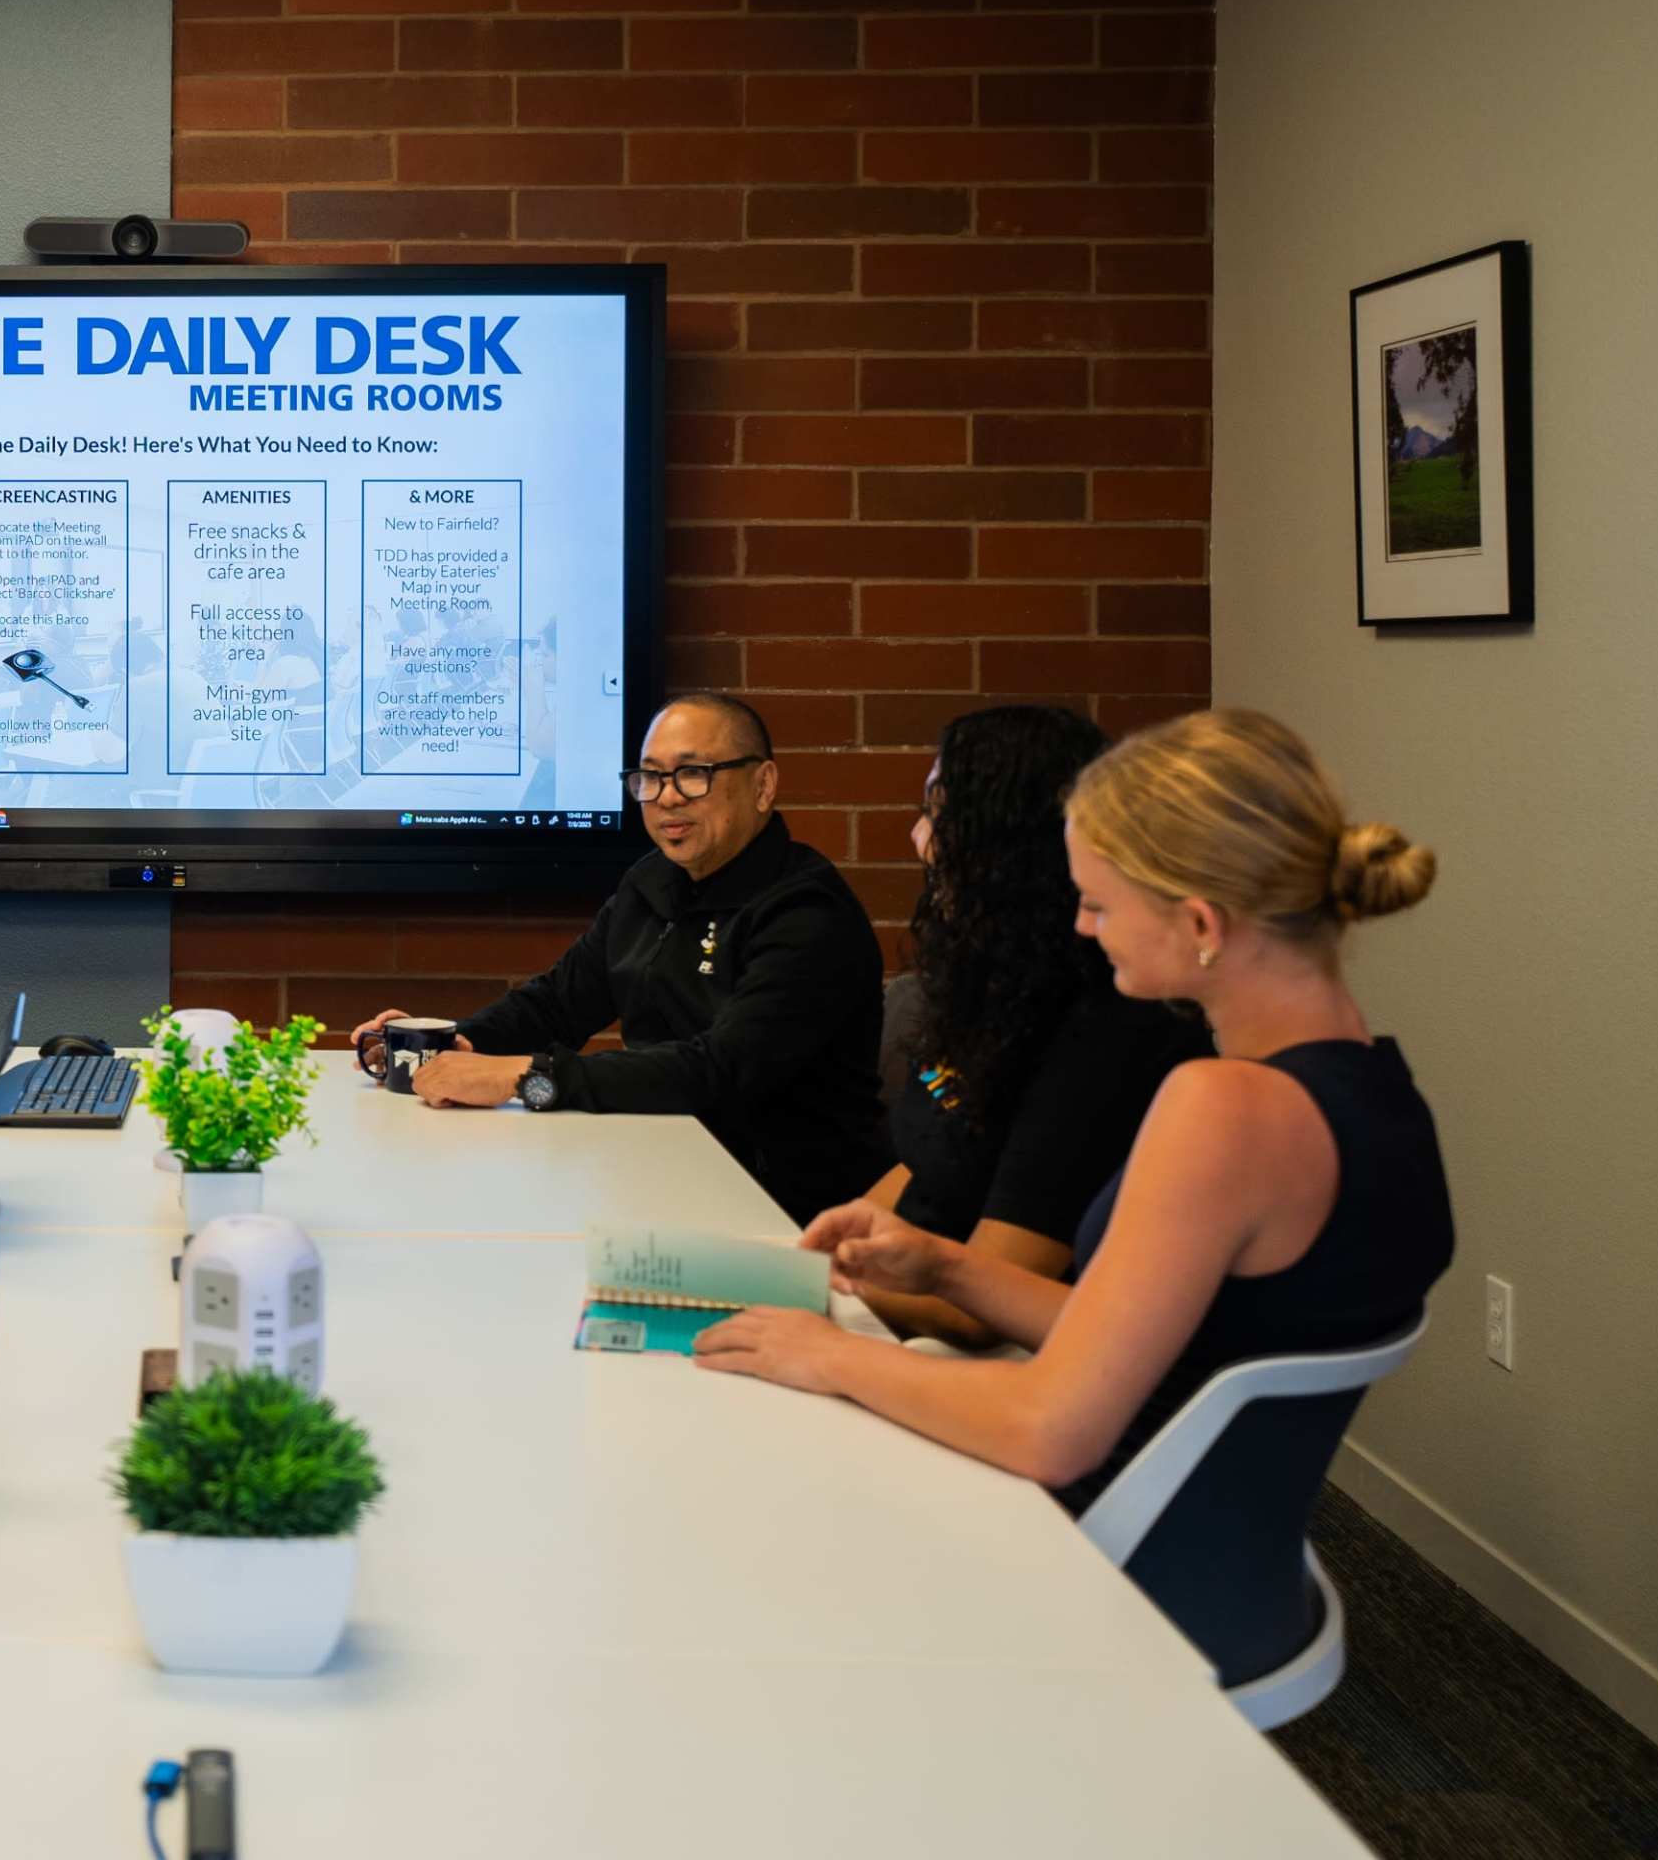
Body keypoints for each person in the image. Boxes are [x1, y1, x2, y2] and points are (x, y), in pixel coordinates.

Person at [690, 709, 1454, 1677]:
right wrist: (948, 1267)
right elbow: (1161, 1329)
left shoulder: (1221, 1109)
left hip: (1114, 1568)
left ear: (1202, 925)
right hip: (1231, 1562)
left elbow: (1049, 1428)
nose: (1082, 926)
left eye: (1097, 902)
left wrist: (829, 1354)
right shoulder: (1378, 1089)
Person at [355, 690, 890, 1221]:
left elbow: (718, 1073)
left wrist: (525, 1078)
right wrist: (446, 1044)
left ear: (763, 784)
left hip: (783, 1212)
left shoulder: (806, 912)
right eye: (650, 777)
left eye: (693, 773)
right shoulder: (653, 882)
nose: (667, 798)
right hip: (662, 1172)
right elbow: (558, 1004)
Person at [855, 705, 1210, 1346]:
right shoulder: (1000, 983)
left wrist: (813, 1290)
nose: (918, 840)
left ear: (1005, 845)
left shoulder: (1113, 1031)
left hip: (991, 1351)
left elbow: (983, 1310)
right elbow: (927, 1165)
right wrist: (803, 1254)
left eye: (937, 813)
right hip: (916, 1317)